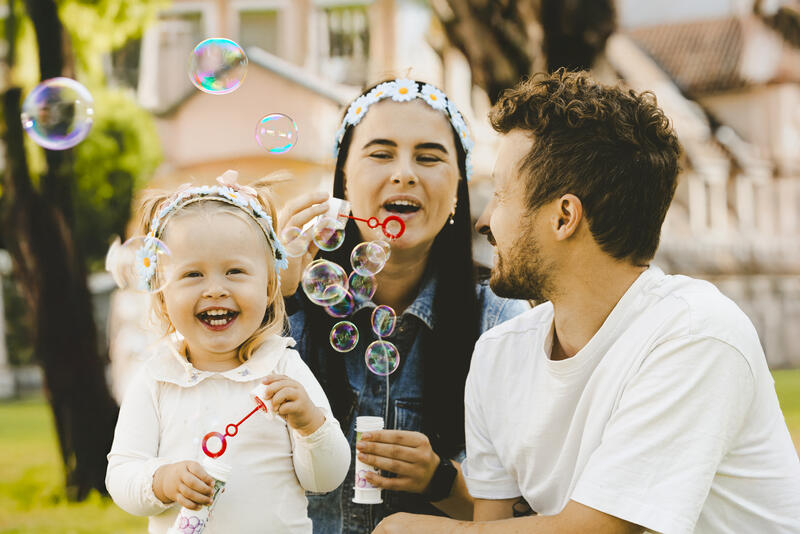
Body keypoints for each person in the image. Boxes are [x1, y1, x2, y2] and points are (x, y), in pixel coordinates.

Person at [374, 70, 800, 534]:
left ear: (563, 217)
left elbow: (601, 531)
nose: (484, 221)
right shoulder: (499, 355)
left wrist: (410, 530)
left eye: (500, 195)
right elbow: (491, 526)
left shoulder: (696, 334)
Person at [279, 79, 529, 533]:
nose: (405, 173)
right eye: (380, 153)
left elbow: (522, 515)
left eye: (430, 157)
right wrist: (274, 293)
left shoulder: (500, 318)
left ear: (457, 189)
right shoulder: (290, 301)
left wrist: (441, 481)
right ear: (344, 180)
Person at [105, 171, 351, 533]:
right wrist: (162, 480)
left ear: (270, 287)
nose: (215, 290)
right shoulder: (156, 377)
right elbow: (122, 475)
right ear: (162, 293)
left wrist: (309, 424)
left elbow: (326, 479)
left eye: (235, 271)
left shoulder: (282, 366)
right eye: (192, 275)